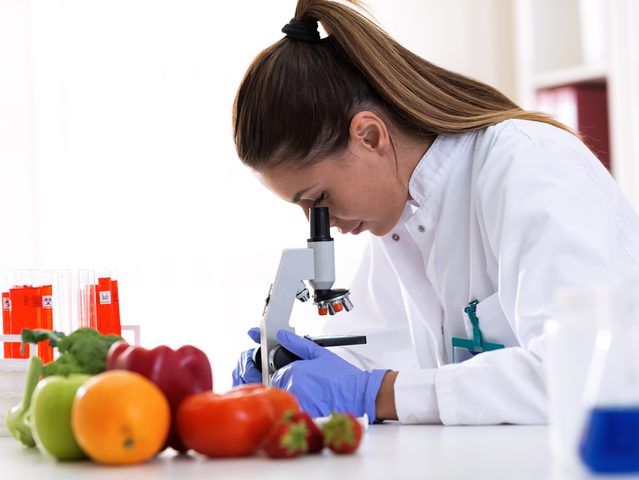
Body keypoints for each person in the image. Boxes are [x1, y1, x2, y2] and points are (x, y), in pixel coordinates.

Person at [230, 0, 639, 425]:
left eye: (318, 199)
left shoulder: (529, 166)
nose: (321, 221)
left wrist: (376, 394)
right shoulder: (400, 222)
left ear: (369, 136)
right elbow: (369, 349)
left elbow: (579, 376)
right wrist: (290, 368)